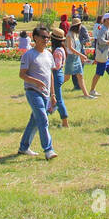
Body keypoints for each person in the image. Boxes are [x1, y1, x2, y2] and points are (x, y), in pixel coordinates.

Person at [18, 26, 58, 160]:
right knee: (42, 119)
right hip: (33, 91)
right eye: (43, 37)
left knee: (34, 121)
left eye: (48, 37)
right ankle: (48, 149)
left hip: (46, 93)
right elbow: (22, 75)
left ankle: (23, 147)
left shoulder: (48, 54)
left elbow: (50, 75)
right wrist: (36, 82)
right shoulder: (28, 55)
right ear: (35, 38)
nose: (46, 40)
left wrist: (53, 95)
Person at [87, 12, 109, 99]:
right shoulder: (103, 29)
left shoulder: (106, 28)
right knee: (98, 73)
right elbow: (101, 41)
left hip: (107, 55)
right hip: (103, 56)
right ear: (106, 20)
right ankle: (92, 90)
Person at [49, 27, 70, 128]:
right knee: (53, 98)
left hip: (56, 75)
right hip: (59, 74)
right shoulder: (62, 49)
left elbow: (56, 66)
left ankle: (65, 121)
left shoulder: (57, 51)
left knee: (58, 99)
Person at [65, 22, 86, 92]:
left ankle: (86, 94)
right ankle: (53, 87)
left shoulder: (76, 34)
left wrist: (80, 57)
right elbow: (70, 48)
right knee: (66, 77)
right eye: (80, 26)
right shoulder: (69, 35)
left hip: (76, 57)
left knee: (80, 76)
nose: (81, 27)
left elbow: (77, 47)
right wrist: (81, 55)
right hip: (71, 58)